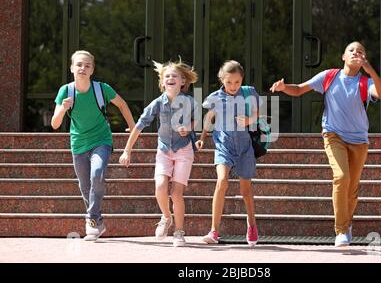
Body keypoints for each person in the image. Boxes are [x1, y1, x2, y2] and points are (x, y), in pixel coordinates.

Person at [270, 41, 381, 247]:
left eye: (360, 51)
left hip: (359, 140)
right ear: (343, 56)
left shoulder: (365, 82)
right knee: (341, 177)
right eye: (351, 50)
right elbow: (299, 89)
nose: (356, 53)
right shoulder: (329, 76)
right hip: (333, 135)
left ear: (364, 60)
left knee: (352, 188)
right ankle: (341, 230)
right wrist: (283, 87)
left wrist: (370, 70)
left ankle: (347, 223)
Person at [51, 50, 135, 241]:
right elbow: (55, 124)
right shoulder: (66, 91)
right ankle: (97, 220)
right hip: (79, 143)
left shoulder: (101, 89)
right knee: (85, 184)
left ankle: (91, 220)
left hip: (101, 140)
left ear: (92, 70)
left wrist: (132, 128)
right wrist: (63, 108)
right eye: (79, 64)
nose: (83, 68)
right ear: (72, 68)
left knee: (97, 174)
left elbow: (122, 105)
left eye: (87, 65)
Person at [119, 60, 198, 247]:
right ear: (162, 82)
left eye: (175, 76)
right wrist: (127, 150)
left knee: (177, 193)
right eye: (167, 76)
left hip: (184, 150)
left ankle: (179, 232)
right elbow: (139, 126)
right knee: (160, 186)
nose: (170, 78)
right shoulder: (157, 103)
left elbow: (199, 120)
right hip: (163, 150)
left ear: (183, 82)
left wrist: (189, 127)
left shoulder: (190, 102)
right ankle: (165, 216)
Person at [196, 60, 260, 247]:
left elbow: (258, 114)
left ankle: (252, 225)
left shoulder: (249, 93)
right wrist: (202, 138)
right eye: (229, 82)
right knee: (221, 181)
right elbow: (209, 119)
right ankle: (214, 231)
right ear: (222, 79)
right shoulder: (215, 98)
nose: (233, 86)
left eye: (237, 82)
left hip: (244, 148)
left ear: (242, 80)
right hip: (224, 146)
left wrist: (249, 120)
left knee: (245, 191)